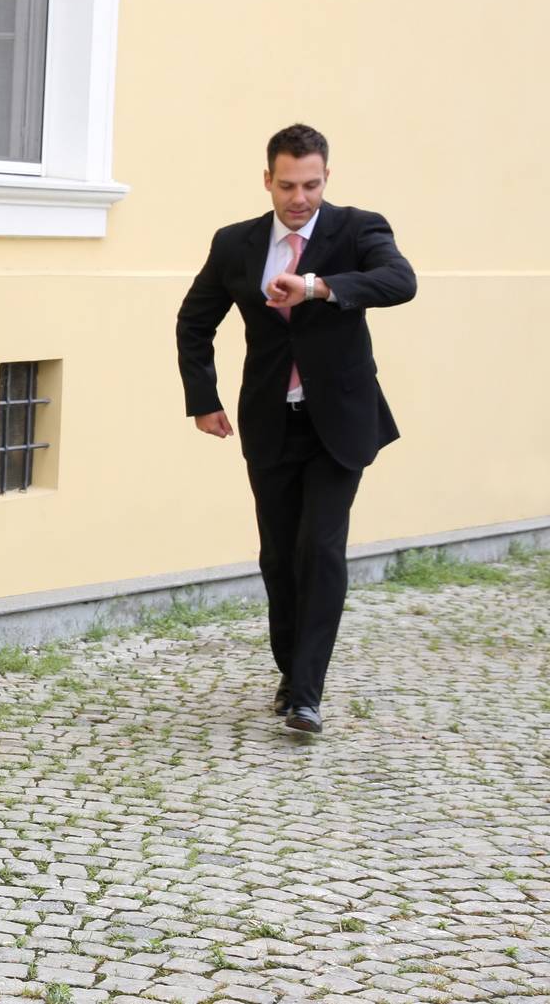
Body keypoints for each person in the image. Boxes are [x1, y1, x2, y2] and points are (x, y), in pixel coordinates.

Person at [175, 124, 416, 735]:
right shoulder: (237, 243)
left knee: (321, 549)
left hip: (340, 421)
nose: (299, 197)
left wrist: (317, 287)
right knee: (279, 555)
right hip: (270, 421)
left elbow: (400, 282)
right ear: (268, 181)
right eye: (287, 185)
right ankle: (291, 674)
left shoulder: (359, 229)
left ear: (326, 178)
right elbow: (194, 321)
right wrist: (203, 399)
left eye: (311, 184)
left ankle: (307, 694)